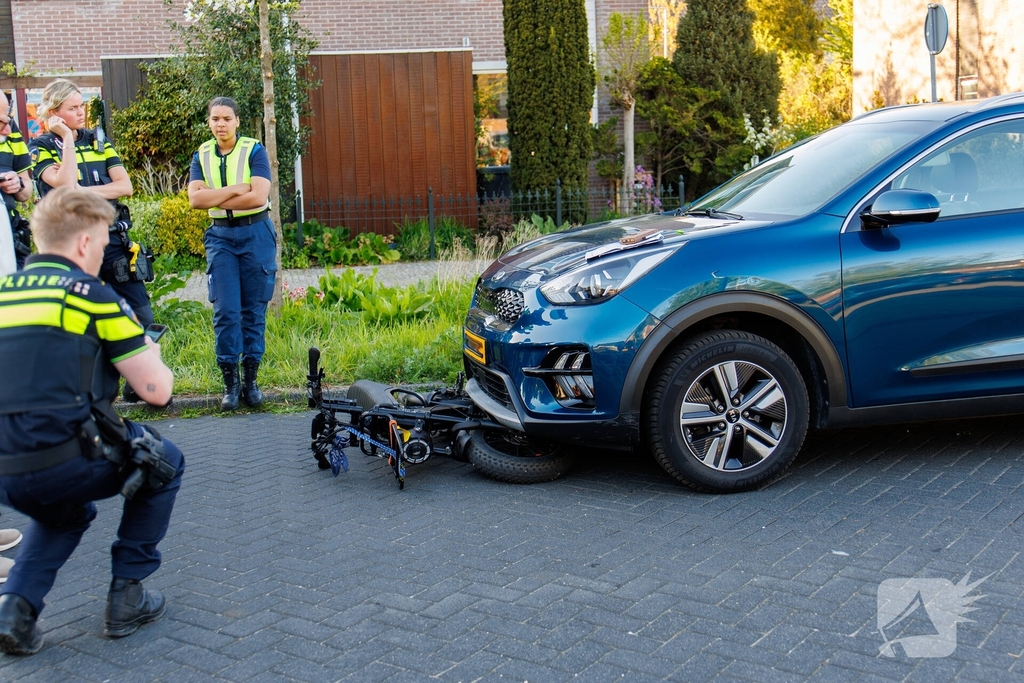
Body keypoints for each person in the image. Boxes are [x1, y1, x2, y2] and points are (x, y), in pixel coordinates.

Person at [0, 187, 185, 655]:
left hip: (5, 472)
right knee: (163, 461)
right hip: (65, 461)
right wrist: (152, 354)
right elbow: (156, 392)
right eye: (103, 245)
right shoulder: (93, 295)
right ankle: (128, 594)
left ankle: (15, 609)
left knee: (65, 511)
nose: (103, 255)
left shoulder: (4, 293)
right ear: (84, 244)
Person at [28, 79, 153, 402]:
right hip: (71, 248)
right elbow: (63, 182)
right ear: (54, 113)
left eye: (81, 106)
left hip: (110, 242)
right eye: (72, 108)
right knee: (80, 321)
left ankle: (136, 380)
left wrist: (80, 193)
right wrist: (67, 138)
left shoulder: (99, 140)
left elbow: (124, 186)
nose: (81, 113)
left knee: (141, 314)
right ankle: (87, 389)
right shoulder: (40, 146)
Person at [187, 96, 275, 410]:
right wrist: (237, 189)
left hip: (256, 233)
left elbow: (258, 197)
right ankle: (230, 383)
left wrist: (214, 197)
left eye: (226, 118)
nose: (221, 124)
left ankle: (251, 382)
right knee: (225, 310)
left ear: (237, 121)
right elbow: (195, 201)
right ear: (209, 122)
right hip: (220, 237)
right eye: (215, 119)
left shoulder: (254, 150)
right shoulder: (202, 153)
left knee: (254, 309)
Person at [0, 91, 34, 270]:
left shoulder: (10, 129)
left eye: (8, 121)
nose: (8, 129)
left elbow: (27, 190)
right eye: (0, 122)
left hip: (10, 238)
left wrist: (18, 184)